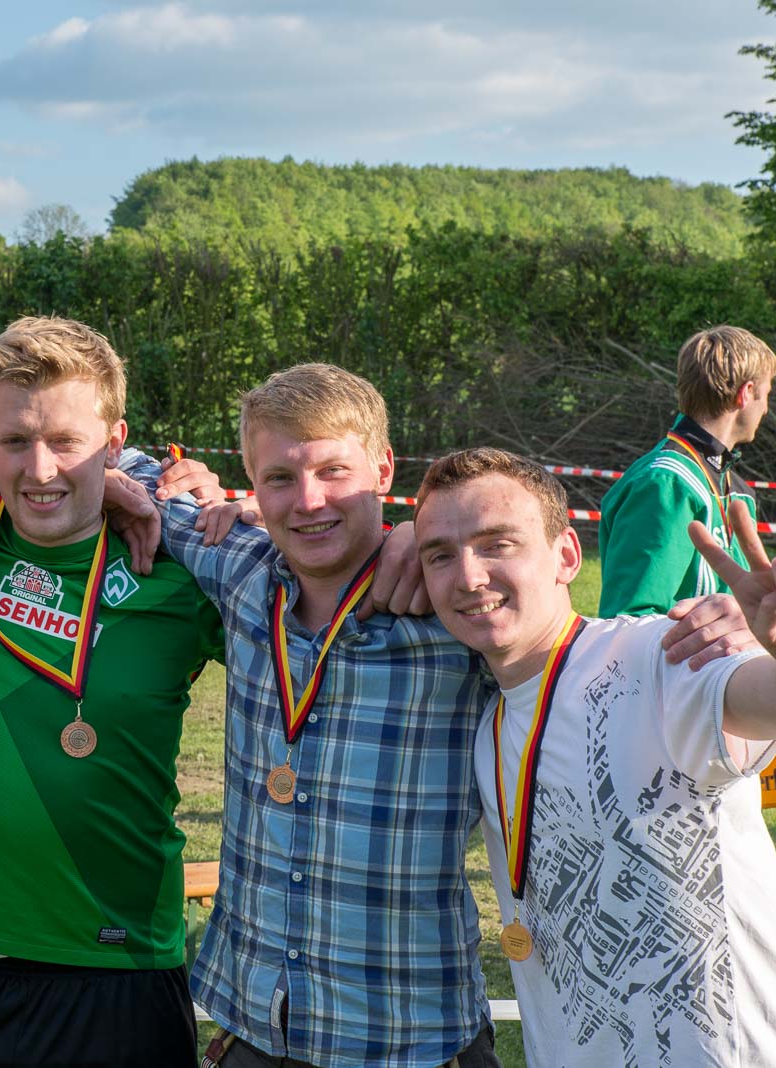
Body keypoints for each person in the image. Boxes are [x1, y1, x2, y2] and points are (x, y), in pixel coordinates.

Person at [414, 447, 776, 1067]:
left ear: (567, 556)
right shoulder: (485, 717)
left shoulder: (656, 659)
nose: (468, 576)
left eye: (498, 544)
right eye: (440, 555)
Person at [122, 364, 499, 1067]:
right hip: (253, 1034)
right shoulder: (237, 566)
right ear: (251, 483)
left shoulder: (454, 609)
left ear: (384, 470)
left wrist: (423, 533)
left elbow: (568, 622)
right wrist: (173, 480)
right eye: (280, 478)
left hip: (411, 1041)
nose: (308, 501)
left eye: (334, 472)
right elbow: (92, 447)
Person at [0, 317, 224, 1068]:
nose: (40, 471)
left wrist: (240, 509)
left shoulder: (178, 565)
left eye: (67, 442)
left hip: (121, 962)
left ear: (115, 440)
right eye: (15, 440)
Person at [597, 325, 776, 616]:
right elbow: (632, 617)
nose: (766, 408)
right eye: (766, 394)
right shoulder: (664, 483)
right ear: (746, 393)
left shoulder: (738, 490)